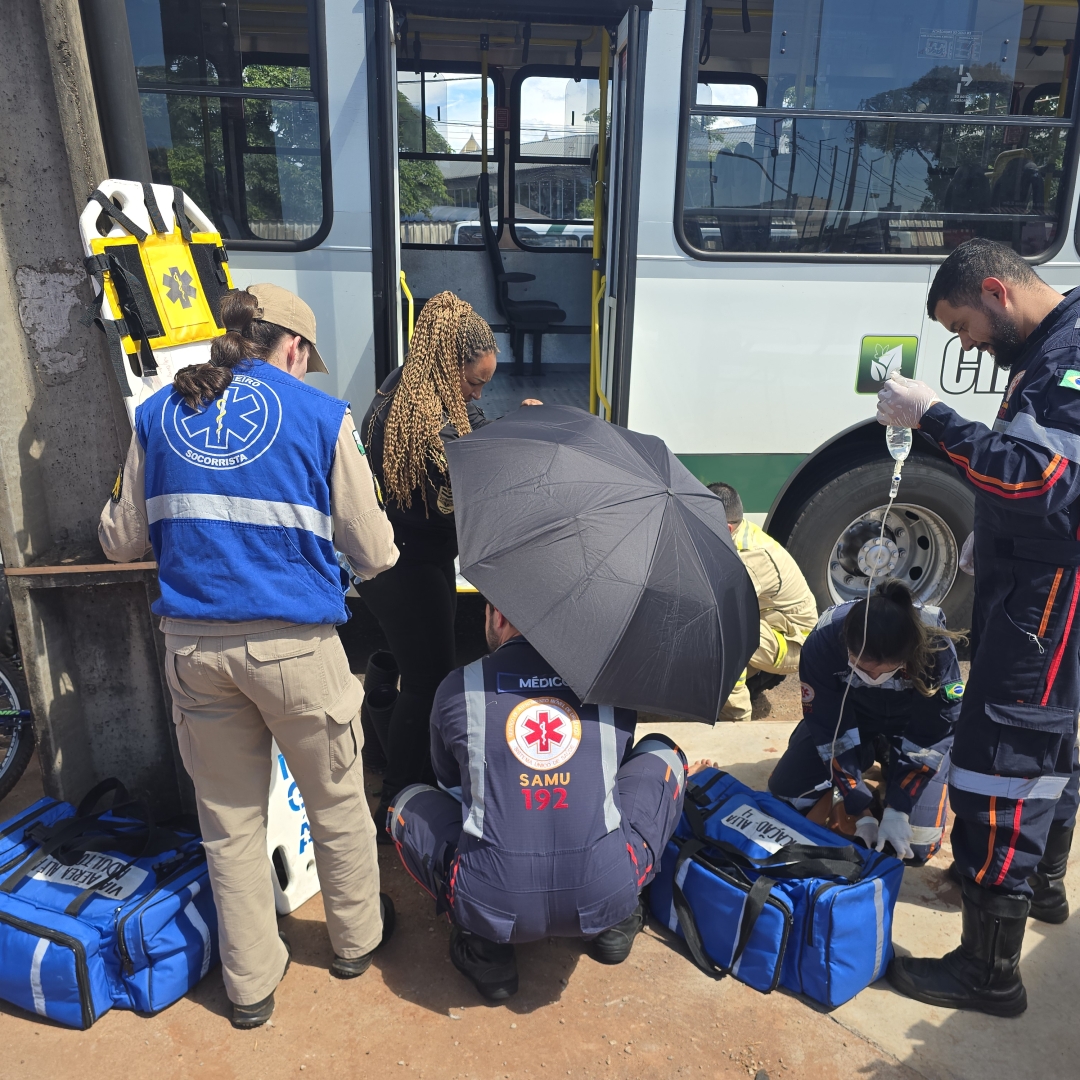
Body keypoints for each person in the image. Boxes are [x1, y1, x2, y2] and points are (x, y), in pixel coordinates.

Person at [98, 285, 397, 1029]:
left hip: (195, 652)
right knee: (336, 807)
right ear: (291, 347)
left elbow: (119, 539)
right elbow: (378, 551)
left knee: (228, 828)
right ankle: (356, 942)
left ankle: (250, 988)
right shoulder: (322, 418)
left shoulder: (156, 414)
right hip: (298, 652)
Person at [877, 237, 1080, 1016]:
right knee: (1050, 742)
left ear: (997, 292)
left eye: (964, 325)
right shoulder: (1054, 344)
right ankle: (1045, 887)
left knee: (1001, 754)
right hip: (1036, 573)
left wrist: (934, 417)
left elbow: (1044, 478)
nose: (967, 344)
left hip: (1044, 595)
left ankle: (988, 971)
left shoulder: (1067, 358)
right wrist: (989, 527)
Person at [386, 600, 700, 1001]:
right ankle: (613, 924)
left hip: (492, 900)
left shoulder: (457, 687)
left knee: (407, 801)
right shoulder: (610, 683)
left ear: (497, 616)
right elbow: (609, 773)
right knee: (663, 753)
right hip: (604, 890)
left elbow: (449, 781)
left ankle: (485, 948)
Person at [358, 292, 539, 831]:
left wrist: (505, 422)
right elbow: (464, 485)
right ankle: (396, 804)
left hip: (405, 558)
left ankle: (386, 753)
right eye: (476, 381)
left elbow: (472, 427)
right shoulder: (421, 420)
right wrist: (515, 439)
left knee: (416, 664)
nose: (480, 391)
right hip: (404, 567)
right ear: (448, 362)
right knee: (429, 680)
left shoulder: (414, 384)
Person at [768, 581, 962, 864]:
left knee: (918, 847)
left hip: (911, 728)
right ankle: (867, 750)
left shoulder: (935, 649)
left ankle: (889, 753)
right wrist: (859, 806)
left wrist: (898, 808)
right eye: (857, 666)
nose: (868, 676)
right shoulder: (824, 642)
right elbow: (827, 726)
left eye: (877, 671)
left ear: (905, 659)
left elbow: (934, 734)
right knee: (786, 796)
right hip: (853, 721)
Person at [709, 482, 818, 721]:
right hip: (771, 627)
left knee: (720, 631)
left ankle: (736, 717)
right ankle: (750, 679)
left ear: (726, 528)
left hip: (795, 644)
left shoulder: (751, 557)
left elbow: (718, 608)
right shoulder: (738, 533)